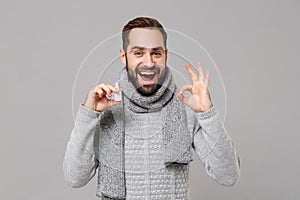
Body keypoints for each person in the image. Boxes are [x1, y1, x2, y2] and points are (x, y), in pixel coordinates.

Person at [63, 17, 240, 200]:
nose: (148, 62)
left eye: (156, 53)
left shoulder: (185, 107)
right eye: (138, 53)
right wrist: (88, 114)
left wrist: (206, 112)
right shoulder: (104, 108)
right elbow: (75, 178)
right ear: (124, 57)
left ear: (165, 56)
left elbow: (228, 176)